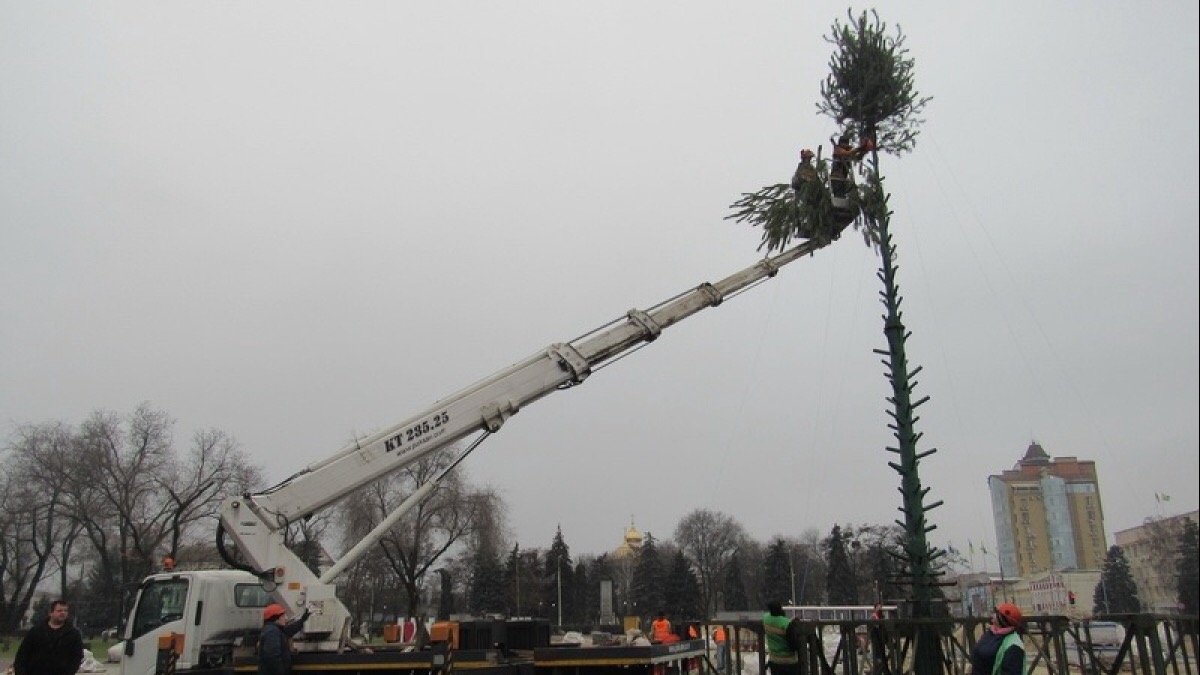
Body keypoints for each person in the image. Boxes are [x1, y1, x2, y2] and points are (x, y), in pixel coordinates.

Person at [12, 599, 84, 675]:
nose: (63, 613)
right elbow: (22, 655)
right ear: (51, 613)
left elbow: (77, 657)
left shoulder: (73, 634)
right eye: (59, 611)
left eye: (65, 611)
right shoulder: (36, 631)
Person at [969, 603, 1026, 675]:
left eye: (996, 613)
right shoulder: (992, 632)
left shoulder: (1014, 646)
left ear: (1002, 619)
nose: (992, 615)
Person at [259, 603, 311, 675]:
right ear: (276, 618)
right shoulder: (272, 632)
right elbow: (272, 656)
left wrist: (302, 620)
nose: (285, 618)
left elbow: (289, 630)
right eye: (283, 616)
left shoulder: (275, 629)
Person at [762, 600, 799, 675]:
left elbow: (776, 622)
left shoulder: (765, 619)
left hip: (774, 660)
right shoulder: (786, 624)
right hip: (788, 661)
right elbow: (794, 646)